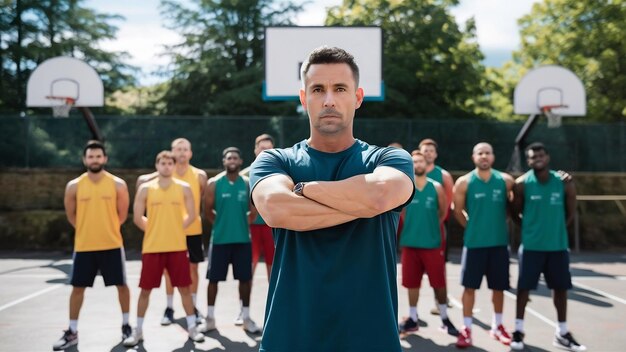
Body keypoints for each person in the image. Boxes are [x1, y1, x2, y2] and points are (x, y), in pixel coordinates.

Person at [249, 46, 414, 352]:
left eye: (340, 89)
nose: (329, 100)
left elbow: (379, 196)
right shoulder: (274, 160)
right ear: (303, 98)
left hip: (370, 339)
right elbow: (276, 208)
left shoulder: (390, 158)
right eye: (317, 89)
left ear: (358, 97)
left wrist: (303, 189)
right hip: (290, 338)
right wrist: (362, 204)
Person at [53, 140, 132, 350]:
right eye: (91, 156)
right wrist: (87, 230)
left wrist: (106, 228)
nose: (94, 160)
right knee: (77, 289)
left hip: (112, 244)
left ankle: (126, 325)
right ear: (84, 159)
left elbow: (122, 215)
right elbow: (71, 215)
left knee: (122, 287)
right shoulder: (74, 186)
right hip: (84, 246)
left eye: (98, 156)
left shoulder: (118, 184)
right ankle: (72, 331)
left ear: (105, 159)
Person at [123, 151, 205, 346]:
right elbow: (136, 218)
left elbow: (192, 215)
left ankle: (192, 327)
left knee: (184, 289)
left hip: (177, 247)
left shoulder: (184, 188)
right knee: (145, 291)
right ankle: (138, 330)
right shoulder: (145, 189)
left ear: (174, 166)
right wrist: (154, 229)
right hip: (152, 248)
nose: (167, 166)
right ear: (157, 165)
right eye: (163, 162)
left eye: (170, 163)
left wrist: (175, 229)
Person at [510, 143, 586, 351]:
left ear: (548, 157)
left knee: (560, 289)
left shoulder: (564, 183)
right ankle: (518, 330)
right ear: (528, 161)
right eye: (533, 157)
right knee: (524, 289)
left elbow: (570, 214)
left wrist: (556, 229)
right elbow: (514, 212)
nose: (538, 159)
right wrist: (530, 229)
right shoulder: (522, 184)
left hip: (557, 246)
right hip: (532, 247)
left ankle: (562, 332)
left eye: (541, 155)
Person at [452, 142, 514, 348]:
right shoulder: (464, 182)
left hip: (498, 244)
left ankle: (497, 326)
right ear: (474, 157)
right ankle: (467, 328)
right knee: (469, 288)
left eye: (488, 153)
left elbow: (511, 208)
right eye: (480, 153)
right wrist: (472, 227)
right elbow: (457, 211)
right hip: (474, 244)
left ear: (493, 157)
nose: (484, 156)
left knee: (498, 288)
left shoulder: (505, 181)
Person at [398, 151, 459, 337]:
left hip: (432, 244)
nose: (417, 164)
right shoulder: (405, 187)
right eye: (413, 161)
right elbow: (402, 214)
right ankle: (413, 319)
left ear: (426, 164)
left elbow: (442, 213)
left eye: (420, 161)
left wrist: (429, 228)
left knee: (438, 283)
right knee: (411, 284)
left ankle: (444, 317)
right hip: (410, 243)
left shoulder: (437, 187)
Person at [203, 147, 261, 333]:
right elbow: (207, 211)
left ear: (241, 161)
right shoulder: (214, 183)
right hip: (219, 240)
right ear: (224, 161)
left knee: (245, 280)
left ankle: (245, 317)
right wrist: (222, 223)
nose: (232, 160)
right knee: (213, 281)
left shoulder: (246, 184)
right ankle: (210, 318)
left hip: (243, 240)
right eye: (229, 158)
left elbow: (253, 211)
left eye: (235, 157)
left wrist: (240, 224)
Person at [418, 138, 455, 315]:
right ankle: (412, 312)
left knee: (438, 266)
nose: (428, 153)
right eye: (425, 150)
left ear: (436, 154)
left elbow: (447, 204)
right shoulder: (411, 173)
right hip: (415, 228)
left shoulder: (444, 176)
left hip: (437, 228)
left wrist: (436, 223)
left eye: (431, 151)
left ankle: (440, 300)